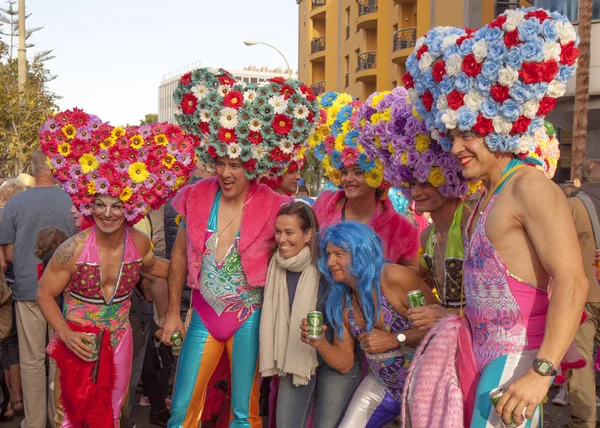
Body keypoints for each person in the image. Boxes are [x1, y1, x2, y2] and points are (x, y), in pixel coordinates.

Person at [403, 9, 587, 427]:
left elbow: (573, 281)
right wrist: (451, 318)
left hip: (515, 367)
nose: (456, 148)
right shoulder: (480, 199)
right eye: (452, 135)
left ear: (501, 124)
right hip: (477, 359)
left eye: (468, 134)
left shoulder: (530, 187)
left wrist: (541, 373)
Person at [162, 67, 320, 427]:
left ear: (252, 165)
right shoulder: (196, 197)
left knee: (244, 415)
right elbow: (178, 257)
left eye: (235, 164)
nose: (226, 173)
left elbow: (297, 244)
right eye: (221, 162)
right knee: (182, 410)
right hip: (203, 312)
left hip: (249, 317)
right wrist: (173, 310)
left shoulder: (273, 203)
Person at [36, 108, 196, 427]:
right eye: (100, 204)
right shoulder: (73, 250)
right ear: (89, 205)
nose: (108, 213)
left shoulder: (138, 244)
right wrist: (65, 334)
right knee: (68, 416)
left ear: (130, 207)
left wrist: (200, 269)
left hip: (120, 337)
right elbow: (43, 294)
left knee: (111, 412)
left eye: (117, 205)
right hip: (78, 340)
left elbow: (158, 269)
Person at [355, 87, 478, 325]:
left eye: (426, 182)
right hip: (448, 334)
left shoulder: (473, 226)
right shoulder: (428, 236)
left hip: (480, 338)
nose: (415, 192)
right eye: (411, 183)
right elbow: (417, 280)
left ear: (450, 177)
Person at [301, 222, 437, 427]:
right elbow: (345, 362)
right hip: (384, 387)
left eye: (339, 254)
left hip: (427, 385)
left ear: (360, 252)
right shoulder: (342, 299)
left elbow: (442, 325)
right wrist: (319, 343)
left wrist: (395, 339)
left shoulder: (393, 277)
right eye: (328, 254)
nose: (330, 262)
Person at [259, 201, 359, 428]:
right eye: (278, 232)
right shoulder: (275, 266)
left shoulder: (329, 266)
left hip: (334, 360)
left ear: (308, 235)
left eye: (289, 232)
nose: (282, 239)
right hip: (295, 358)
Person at [0, 149, 75, 427]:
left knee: (31, 359)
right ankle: (59, 419)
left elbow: (7, 253)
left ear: (32, 169)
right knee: (59, 357)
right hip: (66, 291)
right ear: (57, 168)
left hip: (28, 288)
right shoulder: (72, 199)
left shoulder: (16, 204)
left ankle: (33, 422)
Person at [309, 92, 420, 267]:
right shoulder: (324, 204)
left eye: (358, 172)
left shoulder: (401, 229)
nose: (348, 179)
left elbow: (415, 273)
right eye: (344, 172)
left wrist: (382, 277)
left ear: (377, 174)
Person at [565, 160, 600, 427]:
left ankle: (584, 422)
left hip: (585, 294)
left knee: (582, 361)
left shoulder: (574, 206)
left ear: (582, 179)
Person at [0, 178, 26, 420]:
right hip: (17, 287)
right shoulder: (20, 217)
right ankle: (17, 398)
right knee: (15, 344)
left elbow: (4, 258)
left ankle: (7, 401)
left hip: (5, 288)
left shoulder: (3, 216)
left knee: (5, 344)